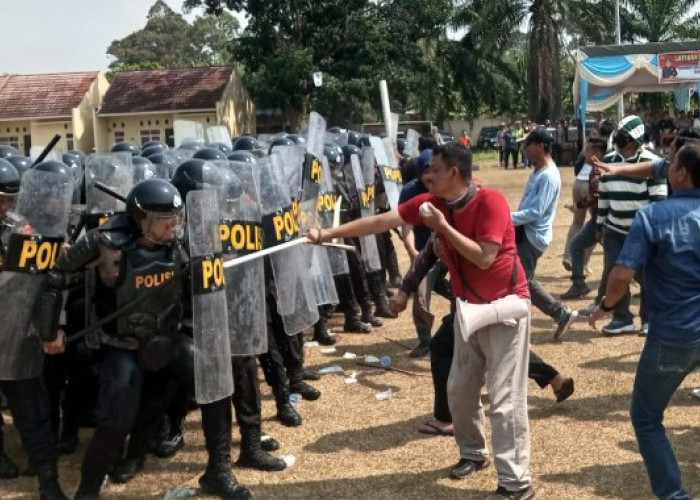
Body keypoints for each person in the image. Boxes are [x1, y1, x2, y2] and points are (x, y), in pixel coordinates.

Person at [306, 142, 535, 500]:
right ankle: (473, 453)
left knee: (505, 400)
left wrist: (442, 226)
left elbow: (486, 258)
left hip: (505, 309)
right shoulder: (434, 203)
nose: (426, 176)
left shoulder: (490, 201)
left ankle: (516, 484)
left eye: (434, 171)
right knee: (459, 389)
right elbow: (383, 221)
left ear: (453, 174)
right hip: (468, 311)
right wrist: (326, 235)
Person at [41, 179, 251, 499]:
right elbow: (55, 277)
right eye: (163, 221)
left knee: (215, 384)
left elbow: (207, 277)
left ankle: (218, 470)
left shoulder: (180, 241)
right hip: (122, 345)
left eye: (176, 220)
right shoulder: (103, 241)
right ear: (141, 219)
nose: (172, 227)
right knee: (115, 422)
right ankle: (87, 489)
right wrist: (51, 329)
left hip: (170, 336)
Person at [589, 143, 700, 500]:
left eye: (670, 162)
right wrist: (616, 169)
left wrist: (606, 306)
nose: (665, 165)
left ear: (681, 173)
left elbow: (621, 275)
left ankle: (674, 495)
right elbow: (649, 170)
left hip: (674, 335)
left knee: (646, 417)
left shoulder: (653, 217)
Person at [587, 116, 666, 335]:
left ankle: (649, 319)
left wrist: (655, 232)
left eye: (624, 136)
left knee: (647, 276)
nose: (619, 138)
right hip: (615, 229)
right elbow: (604, 196)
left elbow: (658, 201)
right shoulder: (609, 160)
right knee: (614, 273)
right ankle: (622, 318)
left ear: (635, 139)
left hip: (643, 231)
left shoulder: (652, 162)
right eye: (619, 134)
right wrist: (600, 224)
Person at [512, 130, 578, 340]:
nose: (525, 149)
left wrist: (507, 217)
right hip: (526, 233)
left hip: (533, 237)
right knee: (519, 279)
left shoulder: (548, 176)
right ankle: (560, 314)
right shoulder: (538, 172)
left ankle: (559, 314)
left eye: (528, 144)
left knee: (520, 281)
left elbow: (536, 212)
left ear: (541, 146)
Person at [560, 137, 608, 300]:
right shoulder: (598, 168)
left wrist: (577, 206)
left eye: (587, 151)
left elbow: (594, 196)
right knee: (577, 245)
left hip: (604, 221)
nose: (584, 154)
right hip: (598, 220)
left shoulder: (597, 170)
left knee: (618, 260)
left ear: (597, 154)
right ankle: (578, 283)